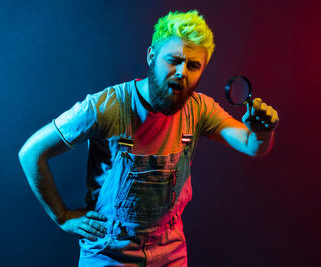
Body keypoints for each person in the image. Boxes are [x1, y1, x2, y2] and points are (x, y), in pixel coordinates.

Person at [19, 10, 279, 266]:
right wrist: (62, 217)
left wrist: (263, 132)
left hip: (170, 251)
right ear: (151, 56)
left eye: (193, 65)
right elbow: (31, 152)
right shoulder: (105, 107)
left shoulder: (200, 109)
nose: (181, 72)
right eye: (173, 60)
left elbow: (252, 145)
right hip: (109, 253)